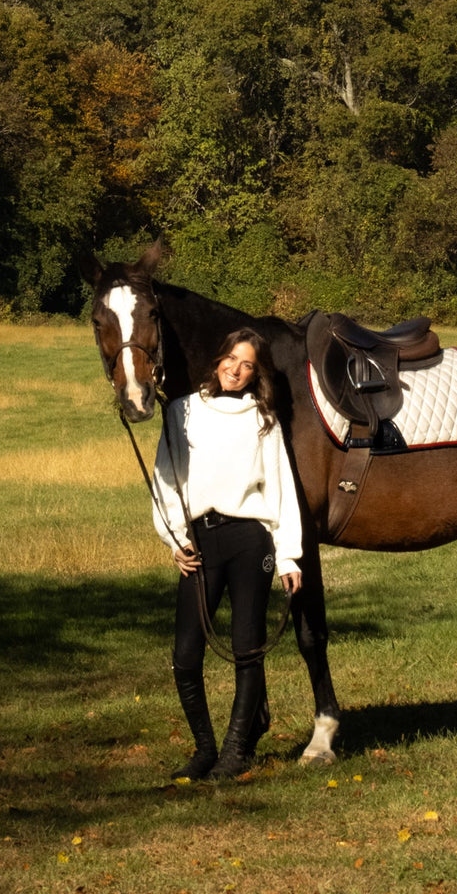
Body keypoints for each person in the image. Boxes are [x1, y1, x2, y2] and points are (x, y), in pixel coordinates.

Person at [152, 326, 304, 780]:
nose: (235, 371)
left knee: (246, 649)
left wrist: (289, 555)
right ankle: (204, 749)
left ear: (257, 374)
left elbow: (280, 489)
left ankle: (237, 750)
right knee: (185, 655)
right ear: (218, 358)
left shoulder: (263, 419)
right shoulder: (182, 412)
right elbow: (166, 481)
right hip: (198, 542)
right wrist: (174, 537)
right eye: (231, 359)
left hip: (249, 541)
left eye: (247, 365)